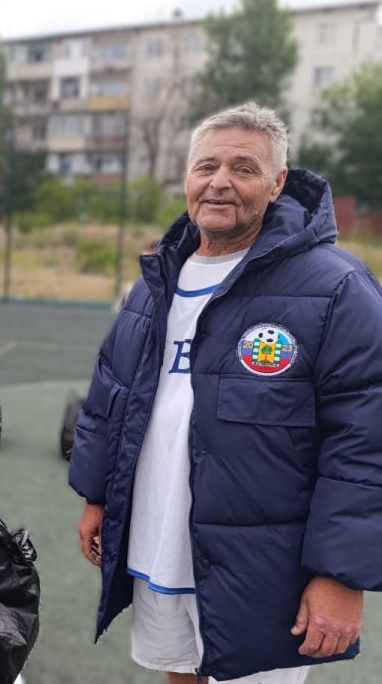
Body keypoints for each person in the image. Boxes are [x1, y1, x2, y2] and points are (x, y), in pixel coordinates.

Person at [69, 102, 382, 683]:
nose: (219, 182)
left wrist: (341, 574)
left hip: (264, 564)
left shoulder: (337, 287)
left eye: (243, 168)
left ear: (277, 183)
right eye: (206, 166)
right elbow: (111, 397)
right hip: (159, 542)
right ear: (187, 178)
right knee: (177, 671)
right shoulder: (155, 282)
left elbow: (365, 441)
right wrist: (98, 496)